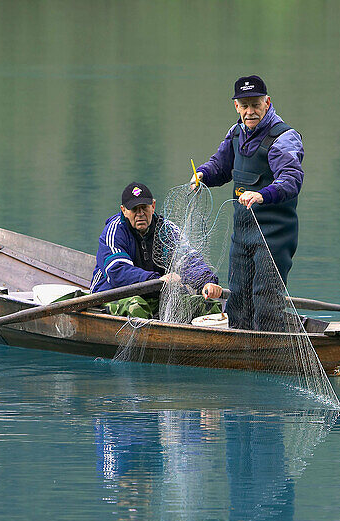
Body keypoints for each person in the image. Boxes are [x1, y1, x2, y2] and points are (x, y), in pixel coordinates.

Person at [190, 75, 305, 330]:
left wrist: (263, 194)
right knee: (238, 302)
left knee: (266, 302)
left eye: (255, 104)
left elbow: (291, 179)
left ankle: (270, 357)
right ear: (236, 107)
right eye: (244, 105)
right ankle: (240, 352)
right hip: (241, 236)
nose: (250, 112)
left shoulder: (283, 138)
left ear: (267, 102)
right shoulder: (236, 133)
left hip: (274, 237)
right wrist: (203, 175)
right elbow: (220, 166)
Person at [91, 181, 221, 319]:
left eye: (144, 208)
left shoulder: (166, 230)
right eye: (134, 209)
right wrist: (157, 281)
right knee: (137, 307)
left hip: (155, 293)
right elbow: (117, 271)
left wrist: (207, 281)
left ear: (153, 206)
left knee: (208, 305)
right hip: (113, 294)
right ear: (124, 210)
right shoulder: (114, 231)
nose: (140, 214)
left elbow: (187, 259)